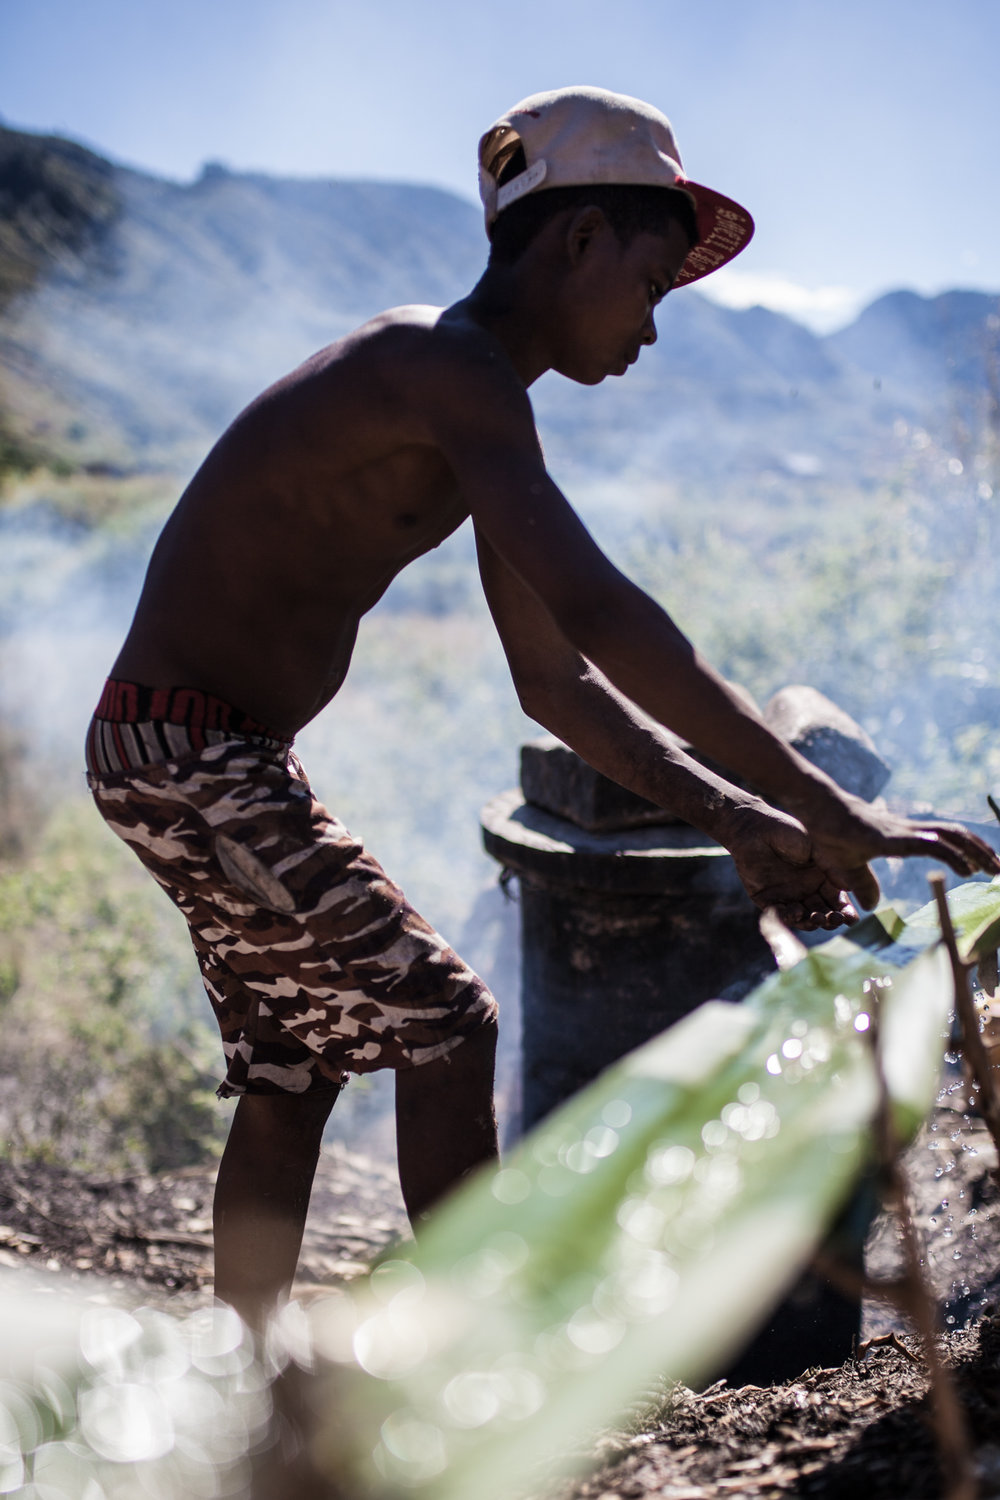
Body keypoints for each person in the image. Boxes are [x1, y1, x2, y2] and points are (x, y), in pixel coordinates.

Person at [85, 86, 998, 1329]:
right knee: (447, 1025)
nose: (654, 328)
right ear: (578, 241)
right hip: (181, 748)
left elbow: (556, 685)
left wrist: (740, 820)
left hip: (206, 751)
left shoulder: (479, 414)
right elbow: (608, 621)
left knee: (296, 1070)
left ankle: (248, 1389)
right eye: (653, 279)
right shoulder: (438, 368)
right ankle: (473, 1360)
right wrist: (826, 806)